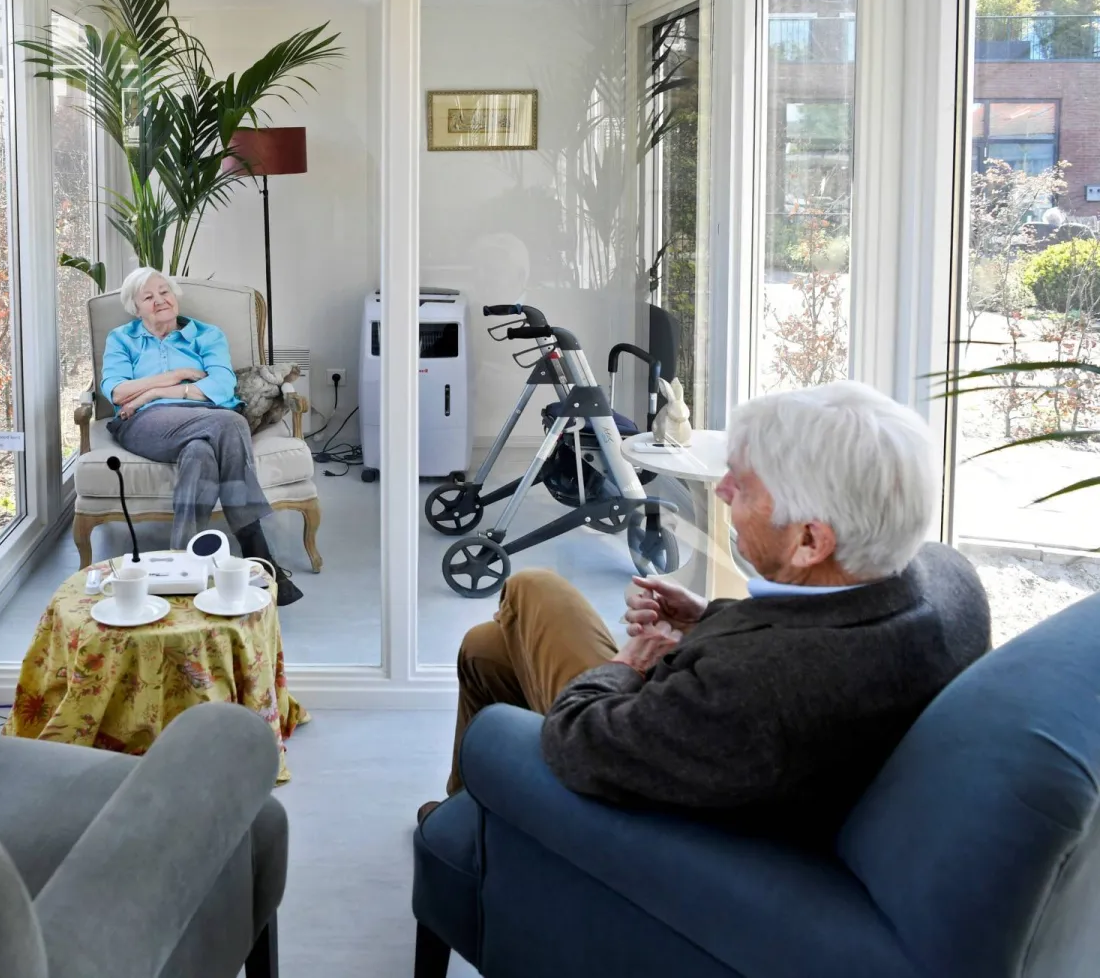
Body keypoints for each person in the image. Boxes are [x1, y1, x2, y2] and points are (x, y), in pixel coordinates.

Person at [423, 380, 991, 842]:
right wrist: (709, 619)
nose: (721, 492)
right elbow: (815, 631)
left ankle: (471, 833)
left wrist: (628, 664)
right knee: (488, 650)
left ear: (810, 541)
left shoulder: (752, 685)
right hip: (726, 758)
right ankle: (465, 829)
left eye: (743, 487)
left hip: (644, 806)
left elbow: (578, 742)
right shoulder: (948, 581)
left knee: (533, 588)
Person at [100, 267, 303, 605]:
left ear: (174, 295)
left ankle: (182, 566)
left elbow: (222, 386)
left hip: (204, 418)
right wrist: (176, 375)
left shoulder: (207, 335)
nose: (159, 300)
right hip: (145, 423)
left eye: (164, 292)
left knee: (201, 455)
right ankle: (257, 552)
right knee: (231, 424)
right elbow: (119, 392)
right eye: (148, 297)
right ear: (136, 308)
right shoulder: (122, 339)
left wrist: (151, 391)